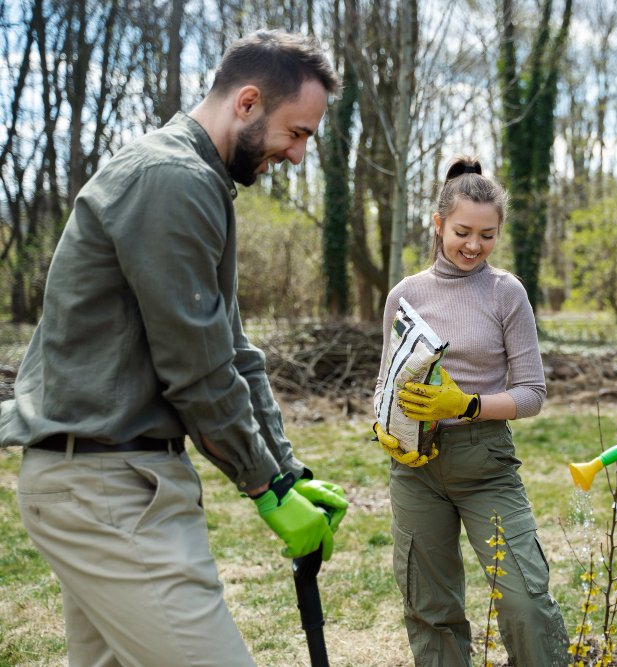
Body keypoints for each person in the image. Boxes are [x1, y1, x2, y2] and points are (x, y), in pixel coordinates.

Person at [0, 30, 348, 667]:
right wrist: (266, 487)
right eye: (297, 133)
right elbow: (197, 368)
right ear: (247, 103)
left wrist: (289, 469)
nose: (298, 155)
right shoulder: (171, 179)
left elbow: (233, 350)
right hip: (107, 489)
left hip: (118, 484)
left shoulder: (199, 182)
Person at [372, 156, 569, 666]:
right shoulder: (405, 295)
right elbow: (386, 383)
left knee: (526, 600)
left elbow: (532, 393)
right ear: (438, 225)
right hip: (415, 469)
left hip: (486, 466)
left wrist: (469, 404)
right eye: (462, 231)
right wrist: (386, 429)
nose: (473, 246)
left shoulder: (507, 293)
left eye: (487, 235)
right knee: (430, 609)